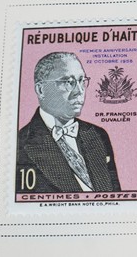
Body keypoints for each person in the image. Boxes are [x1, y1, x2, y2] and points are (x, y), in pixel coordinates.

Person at [16, 52, 121, 194]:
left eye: (81, 80)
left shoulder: (97, 134)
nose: (79, 91)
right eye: (68, 82)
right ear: (41, 90)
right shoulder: (21, 143)